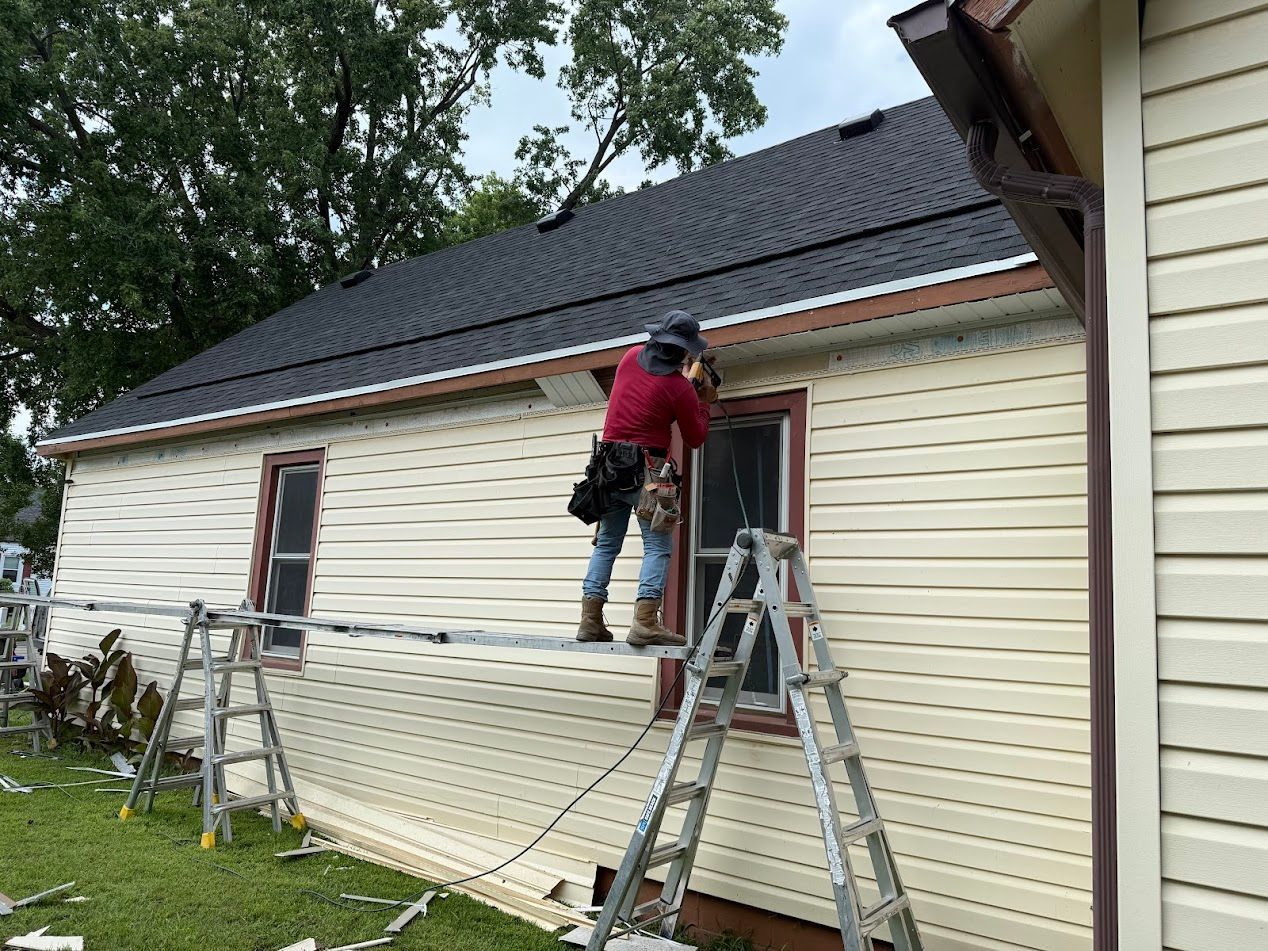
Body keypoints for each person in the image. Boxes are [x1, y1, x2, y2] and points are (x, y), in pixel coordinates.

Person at [578, 310, 718, 647]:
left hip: (608, 469)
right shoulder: (679, 390)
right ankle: (644, 622)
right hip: (648, 473)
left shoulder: (628, 358)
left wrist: (683, 379)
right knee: (656, 546)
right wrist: (703, 401)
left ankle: (590, 620)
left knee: (608, 543)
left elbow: (648, 385)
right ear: (684, 351)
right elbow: (696, 437)